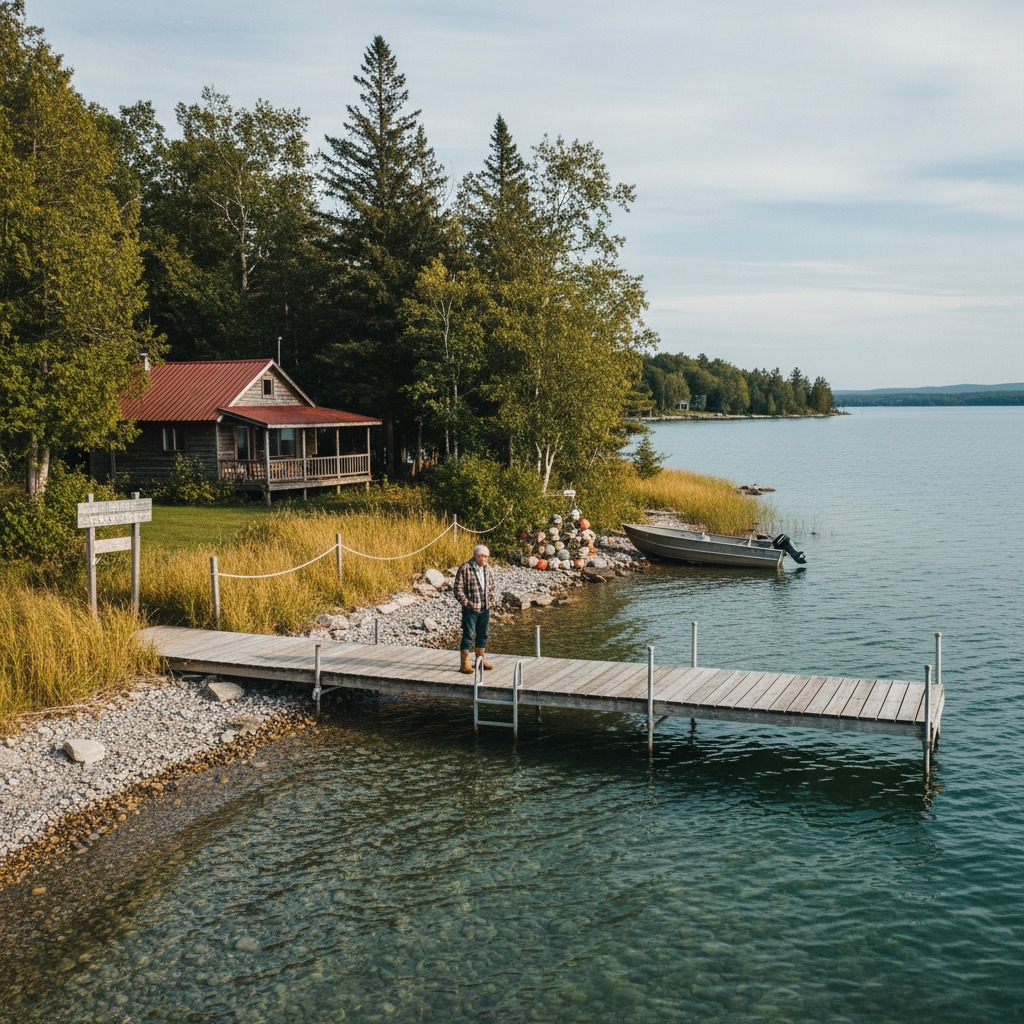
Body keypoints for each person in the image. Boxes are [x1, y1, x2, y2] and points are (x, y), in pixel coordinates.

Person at [453, 544, 497, 674]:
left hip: (485, 608)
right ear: (476, 555)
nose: (485, 559)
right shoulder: (465, 568)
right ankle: (464, 663)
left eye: (486, 557)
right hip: (471, 609)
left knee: (483, 634)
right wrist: (467, 603)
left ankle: (480, 659)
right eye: (482, 556)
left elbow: (492, 586)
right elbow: (457, 589)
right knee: (468, 634)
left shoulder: (487, 568)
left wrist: (491, 601)